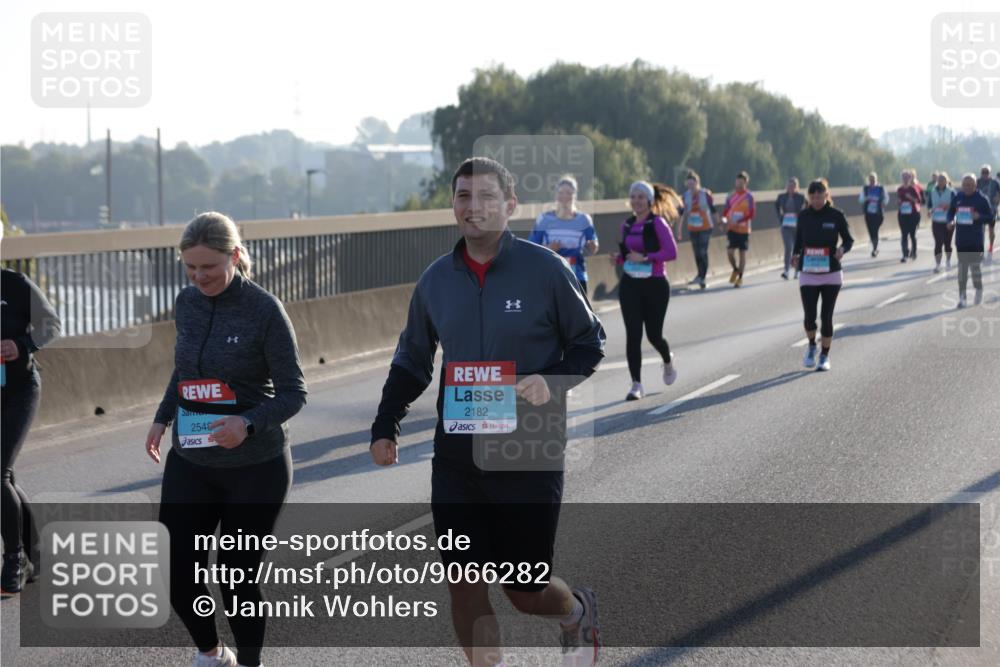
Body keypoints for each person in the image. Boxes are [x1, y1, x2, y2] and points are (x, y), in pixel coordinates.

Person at [369, 157, 605, 667]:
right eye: (463, 196)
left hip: (529, 450)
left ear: (510, 205)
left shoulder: (546, 270)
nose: (473, 207)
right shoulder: (436, 280)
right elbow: (412, 360)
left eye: (486, 197)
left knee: (525, 591)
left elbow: (590, 343)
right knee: (463, 581)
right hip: (457, 457)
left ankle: (576, 611)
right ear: (453, 205)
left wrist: (552, 380)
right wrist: (386, 422)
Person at [146, 212, 307, 667]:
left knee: (236, 578)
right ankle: (212, 653)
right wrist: (162, 417)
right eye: (190, 268)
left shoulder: (264, 310)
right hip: (192, 460)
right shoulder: (187, 303)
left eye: (209, 267)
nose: (199, 277)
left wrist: (246, 424)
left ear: (234, 256)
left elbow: (294, 393)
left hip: (255, 468)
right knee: (176, 570)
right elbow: (185, 369)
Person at [1, 266, 61, 594]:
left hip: (20, 390)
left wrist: (21, 344)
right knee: (5, 477)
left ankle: (15, 558)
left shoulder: (13, 283)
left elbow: (51, 324)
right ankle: (34, 553)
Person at [610, 181, 680, 401]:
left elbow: (672, 252)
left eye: (641, 197)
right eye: (633, 197)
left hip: (655, 284)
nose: (636, 201)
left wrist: (646, 257)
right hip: (630, 284)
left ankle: (667, 360)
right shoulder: (627, 225)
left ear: (649, 201)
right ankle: (636, 384)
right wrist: (619, 258)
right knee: (633, 334)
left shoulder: (657, 223)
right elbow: (628, 255)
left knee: (654, 335)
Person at [792, 179, 854, 372]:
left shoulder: (836, 215)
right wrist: (795, 255)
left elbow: (849, 240)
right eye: (813, 197)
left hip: (831, 273)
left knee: (826, 317)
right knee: (809, 316)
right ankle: (812, 345)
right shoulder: (803, 216)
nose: (816, 201)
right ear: (809, 198)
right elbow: (798, 241)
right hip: (808, 272)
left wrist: (842, 249)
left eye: (820, 197)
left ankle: (825, 356)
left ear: (826, 195)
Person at [529, 175, 599, 293]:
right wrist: (549, 249)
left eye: (569, 193)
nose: (564, 196)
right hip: (551, 277)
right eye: (561, 192)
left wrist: (592, 246)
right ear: (556, 195)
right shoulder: (544, 219)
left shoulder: (584, 220)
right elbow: (531, 249)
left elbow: (594, 248)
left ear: (575, 196)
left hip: (577, 277)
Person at [947, 174, 994, 308]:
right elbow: (951, 212)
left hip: (976, 241)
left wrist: (979, 217)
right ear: (962, 185)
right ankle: (962, 298)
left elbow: (991, 217)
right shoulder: (958, 197)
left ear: (975, 185)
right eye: (965, 185)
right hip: (961, 240)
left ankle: (978, 288)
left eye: (970, 185)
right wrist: (950, 221)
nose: (967, 187)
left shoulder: (982, 199)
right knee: (962, 271)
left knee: (975, 270)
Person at [679, 170, 716, 289]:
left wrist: (719, 221)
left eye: (692, 183)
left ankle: (702, 276)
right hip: (693, 227)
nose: (691, 186)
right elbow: (681, 214)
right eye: (688, 184)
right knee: (696, 252)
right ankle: (700, 275)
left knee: (702, 251)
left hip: (705, 227)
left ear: (697, 183)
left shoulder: (706, 194)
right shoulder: (685, 196)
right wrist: (678, 230)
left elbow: (713, 209)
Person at [720, 171, 755, 287]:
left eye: (741, 182)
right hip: (732, 228)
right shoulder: (730, 195)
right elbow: (726, 210)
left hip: (744, 229)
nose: (739, 184)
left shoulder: (749, 196)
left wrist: (740, 220)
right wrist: (723, 220)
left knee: (742, 254)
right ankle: (735, 269)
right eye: (737, 181)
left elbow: (752, 214)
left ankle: (740, 278)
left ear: (746, 183)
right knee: (730, 252)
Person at [776, 177, 806, 279]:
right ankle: (786, 270)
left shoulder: (801, 197)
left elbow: (807, 207)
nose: (791, 188)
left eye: (793, 186)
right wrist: (780, 216)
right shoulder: (781, 197)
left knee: (797, 249)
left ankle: (797, 270)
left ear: (797, 187)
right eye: (789, 186)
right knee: (788, 248)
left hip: (798, 226)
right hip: (786, 225)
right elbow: (776, 206)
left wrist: (801, 216)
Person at [928, 172, 956, 272]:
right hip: (936, 221)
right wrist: (930, 211)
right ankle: (938, 264)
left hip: (948, 221)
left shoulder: (951, 191)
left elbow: (956, 205)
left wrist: (948, 206)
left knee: (947, 243)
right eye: (939, 180)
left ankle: (948, 261)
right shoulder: (932, 191)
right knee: (938, 243)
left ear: (947, 181)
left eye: (943, 180)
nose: (940, 182)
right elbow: (929, 205)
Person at [896, 169, 924, 263]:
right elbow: (899, 200)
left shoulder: (913, 189)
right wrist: (899, 202)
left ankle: (914, 252)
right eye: (903, 177)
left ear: (910, 178)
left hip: (913, 214)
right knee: (904, 234)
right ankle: (904, 254)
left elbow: (919, 201)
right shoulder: (900, 189)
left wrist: (911, 198)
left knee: (912, 234)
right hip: (903, 214)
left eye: (907, 177)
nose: (905, 179)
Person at [859, 172, 889, 257]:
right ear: (869, 180)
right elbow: (860, 199)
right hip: (868, 213)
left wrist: (883, 203)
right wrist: (866, 198)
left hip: (878, 213)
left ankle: (875, 249)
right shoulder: (865, 188)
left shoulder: (881, 188)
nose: (872, 181)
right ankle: (875, 247)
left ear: (876, 179)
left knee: (875, 230)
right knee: (871, 231)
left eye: (873, 179)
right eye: (870, 179)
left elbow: (886, 198)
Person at [976, 164, 1000, 261]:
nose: (985, 174)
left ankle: (990, 247)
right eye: (983, 172)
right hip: (980, 210)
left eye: (987, 172)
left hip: (991, 210)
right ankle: (980, 250)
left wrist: (997, 199)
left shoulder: (995, 182)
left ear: (990, 173)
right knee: (980, 231)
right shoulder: (977, 182)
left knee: (991, 231)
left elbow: (999, 194)